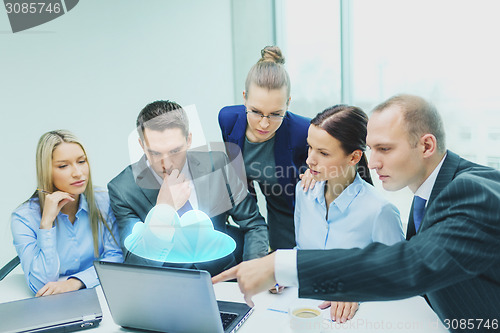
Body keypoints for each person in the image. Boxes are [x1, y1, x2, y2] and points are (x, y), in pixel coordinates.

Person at [213, 94, 500, 328]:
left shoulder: (469, 191)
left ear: (426, 145)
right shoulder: (427, 196)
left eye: (385, 149)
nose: (373, 163)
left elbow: (411, 264)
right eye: (372, 149)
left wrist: (281, 266)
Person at [108, 100, 269, 276]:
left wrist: (254, 272)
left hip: (223, 279)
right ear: (142, 146)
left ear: (189, 140)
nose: (166, 164)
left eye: (175, 151)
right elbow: (135, 265)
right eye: (155, 153)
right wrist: (163, 212)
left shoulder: (218, 165)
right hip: (166, 287)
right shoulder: (123, 189)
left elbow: (254, 225)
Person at [294, 105, 405, 322]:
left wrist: (357, 288)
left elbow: (400, 275)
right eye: (310, 148)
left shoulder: (379, 211)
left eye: (323, 153)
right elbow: (302, 251)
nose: (310, 160)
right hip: (303, 308)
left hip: (355, 320)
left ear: (354, 158)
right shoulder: (304, 192)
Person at [219, 46, 311, 251]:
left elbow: (332, 158)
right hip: (266, 196)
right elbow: (239, 172)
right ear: (244, 98)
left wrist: (313, 172)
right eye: (256, 112)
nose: (263, 124)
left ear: (288, 103)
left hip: (294, 205)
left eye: (276, 114)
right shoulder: (227, 120)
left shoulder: (303, 129)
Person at [11, 130, 123, 296]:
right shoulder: (24, 218)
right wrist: (46, 223)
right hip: (52, 304)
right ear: (46, 171)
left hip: (100, 292)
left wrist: (75, 282)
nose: (78, 173)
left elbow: (116, 259)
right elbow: (40, 285)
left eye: (81, 161)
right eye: (63, 166)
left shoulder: (104, 201)